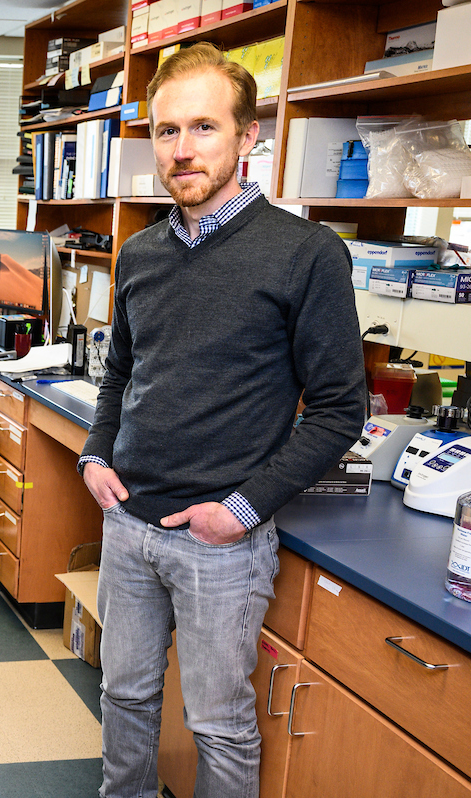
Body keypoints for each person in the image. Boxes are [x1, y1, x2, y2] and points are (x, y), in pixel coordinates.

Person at [78, 44, 365, 798]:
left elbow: (340, 411)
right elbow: (121, 373)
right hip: (128, 521)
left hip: (220, 543)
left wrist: (238, 513)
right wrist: (94, 457)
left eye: (203, 127)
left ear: (247, 137)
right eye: (167, 131)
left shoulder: (306, 253)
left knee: (220, 724)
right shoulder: (138, 252)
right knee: (124, 697)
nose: (181, 149)